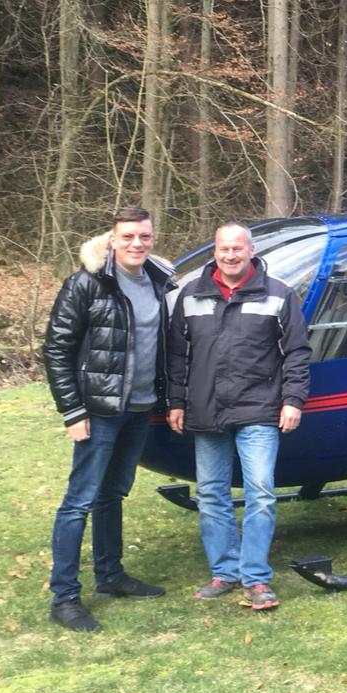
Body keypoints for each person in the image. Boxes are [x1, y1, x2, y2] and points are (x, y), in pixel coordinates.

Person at [42, 205, 173, 632]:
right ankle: (64, 598)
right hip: (97, 412)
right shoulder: (86, 284)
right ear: (112, 239)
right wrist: (72, 410)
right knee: (78, 501)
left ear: (153, 239)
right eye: (128, 236)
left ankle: (110, 575)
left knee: (112, 493)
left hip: (140, 408)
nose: (137, 243)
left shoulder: (159, 282)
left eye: (144, 236)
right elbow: (57, 349)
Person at [167, 223, 310, 611]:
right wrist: (176, 401)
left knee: (260, 492)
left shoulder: (279, 294)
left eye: (237, 248)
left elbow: (297, 352)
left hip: (259, 409)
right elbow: (176, 354)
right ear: (215, 251)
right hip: (205, 409)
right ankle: (224, 572)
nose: (230, 255)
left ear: (251, 251)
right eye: (224, 248)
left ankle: (256, 577)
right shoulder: (190, 295)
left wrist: (293, 400)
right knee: (211, 493)